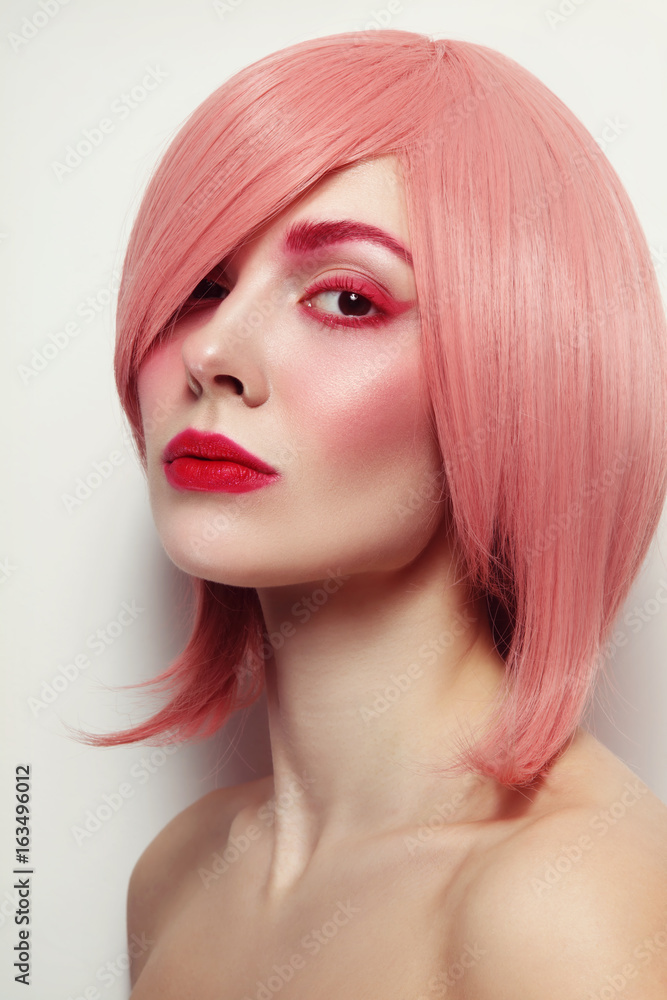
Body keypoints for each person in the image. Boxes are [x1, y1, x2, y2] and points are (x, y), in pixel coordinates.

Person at [75, 29, 667, 998]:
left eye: (348, 299)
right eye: (200, 284)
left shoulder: (567, 910)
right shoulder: (178, 875)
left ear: (519, 384)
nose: (212, 348)